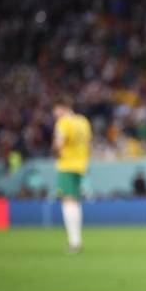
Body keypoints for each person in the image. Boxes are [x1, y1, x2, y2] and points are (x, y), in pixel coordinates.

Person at [52, 95, 91, 253]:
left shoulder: (63, 122)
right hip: (81, 165)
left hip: (66, 165)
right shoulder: (83, 121)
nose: (54, 114)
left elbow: (58, 144)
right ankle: (76, 240)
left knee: (67, 201)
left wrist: (55, 150)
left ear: (62, 107)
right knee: (75, 201)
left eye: (55, 110)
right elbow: (89, 143)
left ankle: (74, 241)